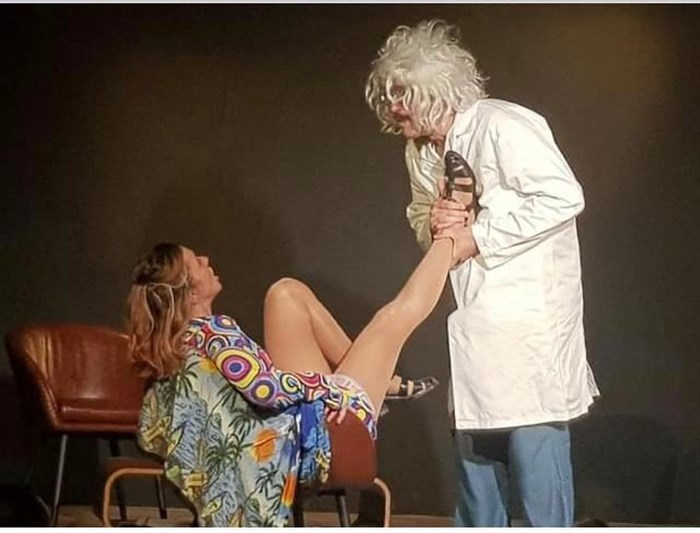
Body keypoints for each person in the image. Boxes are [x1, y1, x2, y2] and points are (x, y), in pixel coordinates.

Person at [365, 19, 600, 527]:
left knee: (536, 472)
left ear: (436, 88)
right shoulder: (421, 152)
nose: (393, 108)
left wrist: (479, 236)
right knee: (476, 477)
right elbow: (424, 221)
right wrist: (434, 223)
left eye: (402, 95)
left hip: (528, 328)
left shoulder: (502, 125)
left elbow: (563, 196)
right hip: (475, 329)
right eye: (388, 96)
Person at [127, 236, 461, 526]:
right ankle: (450, 240)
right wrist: (328, 390)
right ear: (191, 292)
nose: (205, 259)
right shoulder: (215, 333)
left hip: (293, 426)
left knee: (286, 293)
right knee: (394, 316)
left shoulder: (181, 342)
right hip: (313, 442)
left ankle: (384, 383)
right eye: (196, 263)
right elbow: (265, 389)